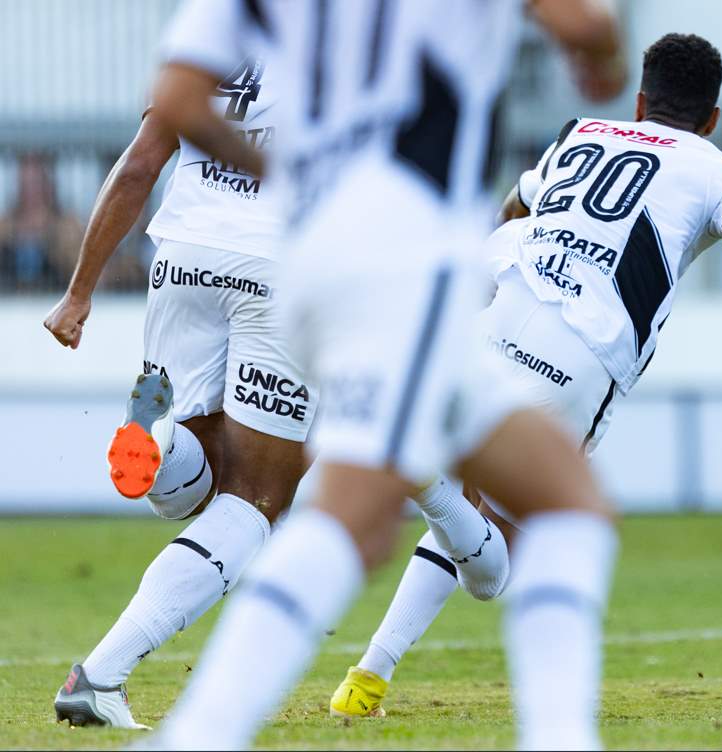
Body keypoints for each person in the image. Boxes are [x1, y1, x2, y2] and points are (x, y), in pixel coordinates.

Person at [330, 32, 722, 718]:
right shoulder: (715, 168)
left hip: (499, 310)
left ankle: (368, 675)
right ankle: (423, 490)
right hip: (581, 349)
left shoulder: (580, 132)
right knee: (492, 563)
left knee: (466, 519)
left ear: (639, 99)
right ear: (711, 117)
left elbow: (512, 211)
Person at [143, 0, 626, 749]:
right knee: (354, 513)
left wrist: (296, 177)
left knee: (567, 500)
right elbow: (587, 28)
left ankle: (563, 736)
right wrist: (605, 67)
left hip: (307, 257)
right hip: (406, 248)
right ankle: (196, 735)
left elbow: (177, 102)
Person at [44, 54, 318, 728]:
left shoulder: (207, 40)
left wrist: (78, 294)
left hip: (182, 260)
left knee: (192, 482)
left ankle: (160, 441)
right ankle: (100, 675)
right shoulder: (339, 40)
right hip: (276, 264)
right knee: (257, 497)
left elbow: (138, 166)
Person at [0, 154, 83, 292]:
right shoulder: (5, 226)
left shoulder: (67, 226)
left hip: (57, 301)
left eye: (35, 184)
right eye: (25, 185)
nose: (31, 192)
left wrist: (56, 242)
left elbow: (83, 272)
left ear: (47, 185)